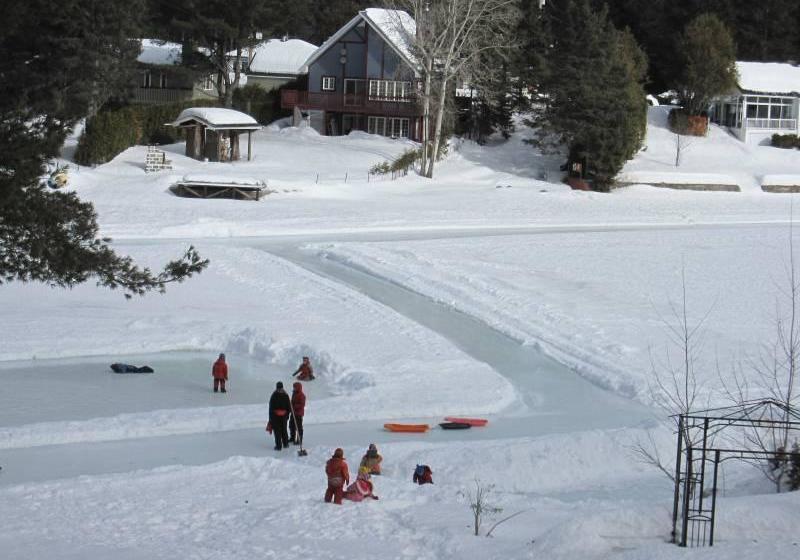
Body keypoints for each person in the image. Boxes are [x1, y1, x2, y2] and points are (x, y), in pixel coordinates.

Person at [268, 381, 291, 450]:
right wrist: (287, 416)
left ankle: (279, 446)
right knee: (284, 430)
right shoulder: (286, 395)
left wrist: (270, 419)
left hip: (276, 417)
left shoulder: (274, 395)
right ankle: (286, 444)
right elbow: (289, 407)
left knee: (277, 431)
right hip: (284, 417)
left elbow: (271, 408)